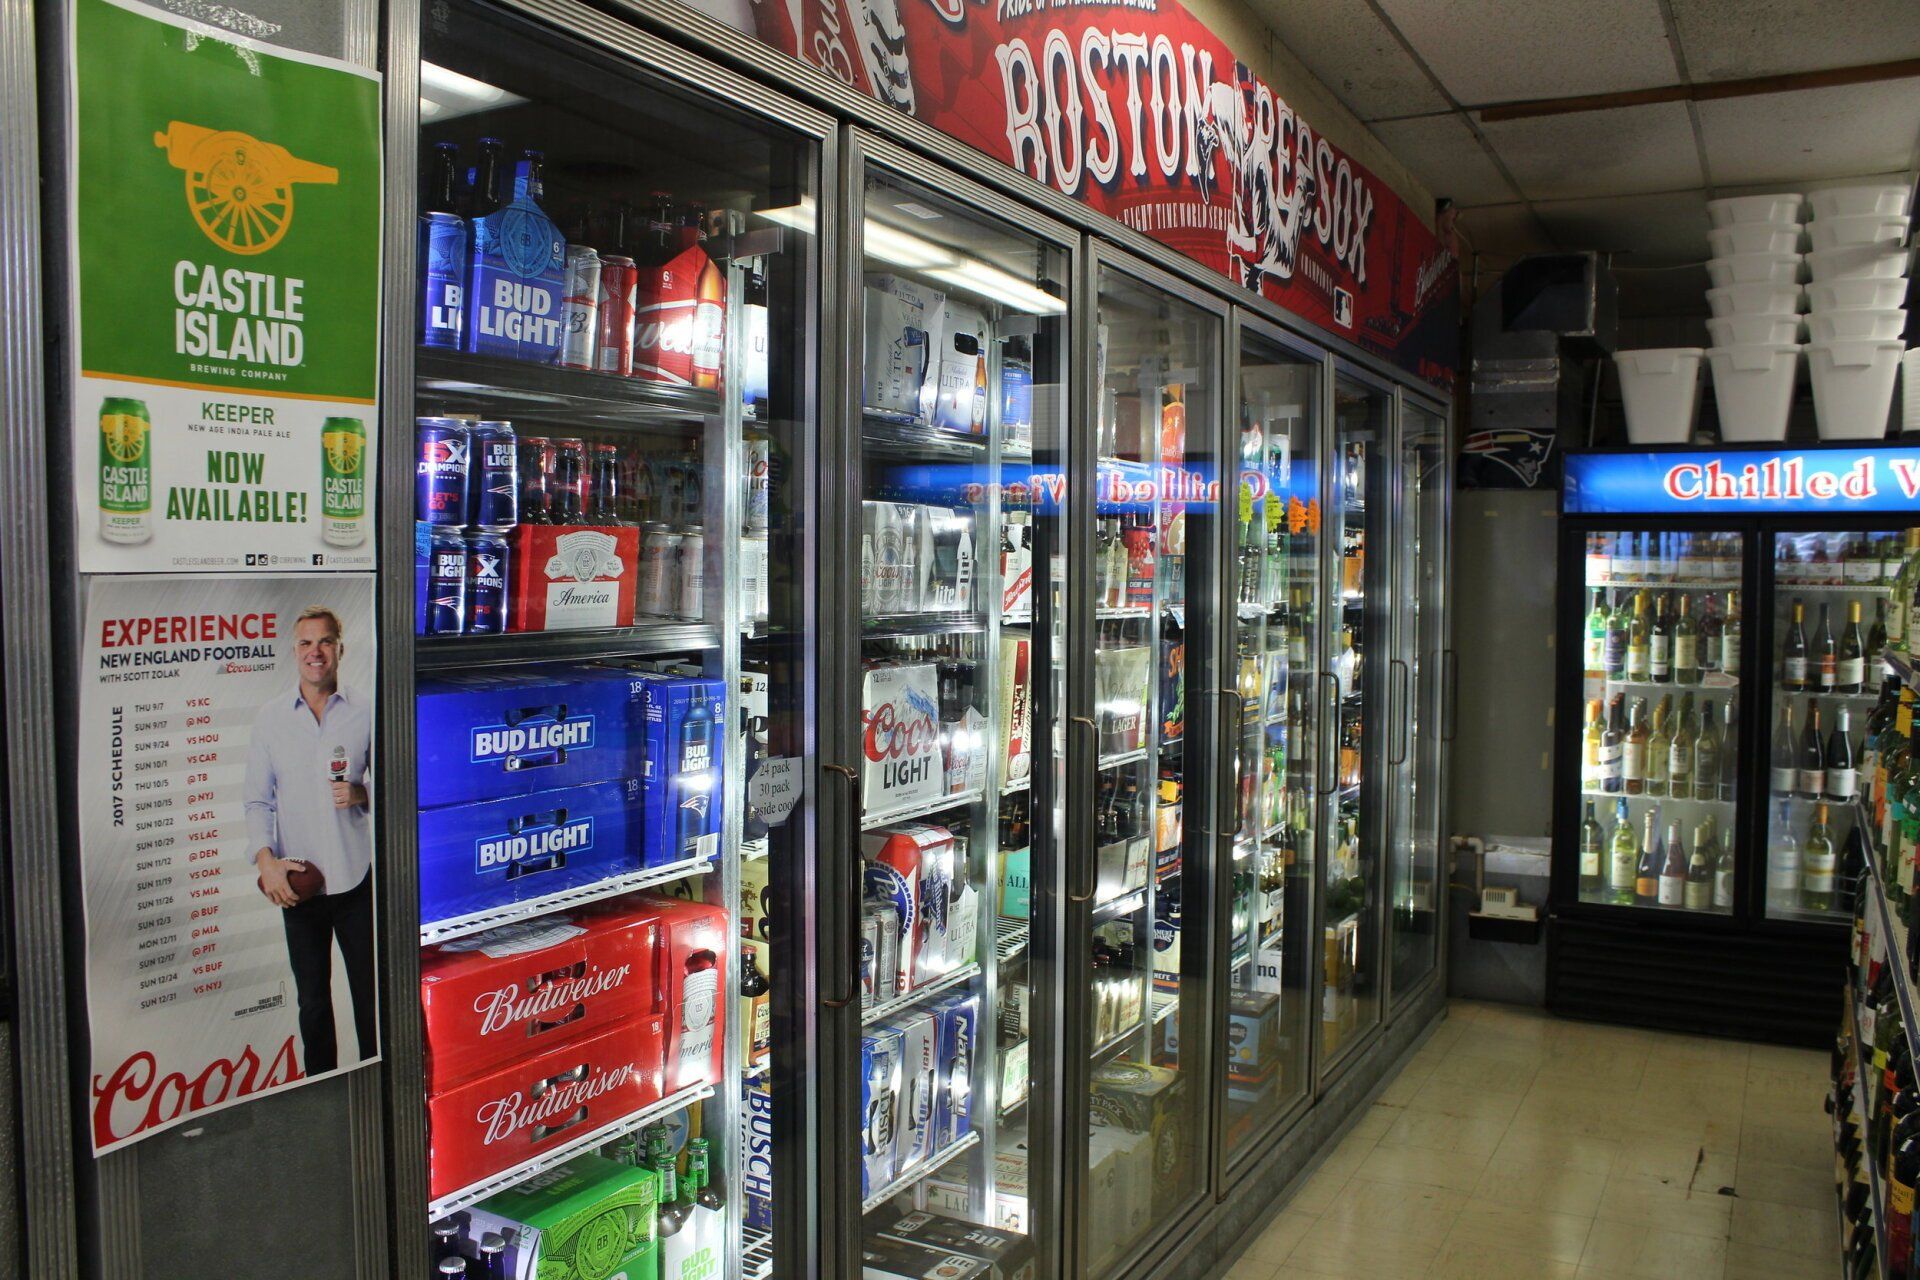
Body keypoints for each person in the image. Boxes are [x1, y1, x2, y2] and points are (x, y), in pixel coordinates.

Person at [245, 605, 375, 1075]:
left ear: (340, 648)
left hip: (356, 878)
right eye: (305, 643)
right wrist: (265, 862)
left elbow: (397, 785)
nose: (314, 652)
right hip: (298, 884)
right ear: (294, 651)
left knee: (370, 996)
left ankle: (376, 1086)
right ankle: (322, 1094)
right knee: (313, 1004)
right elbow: (256, 801)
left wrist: (362, 791)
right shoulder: (270, 718)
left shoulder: (367, 710)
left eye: (324, 642)